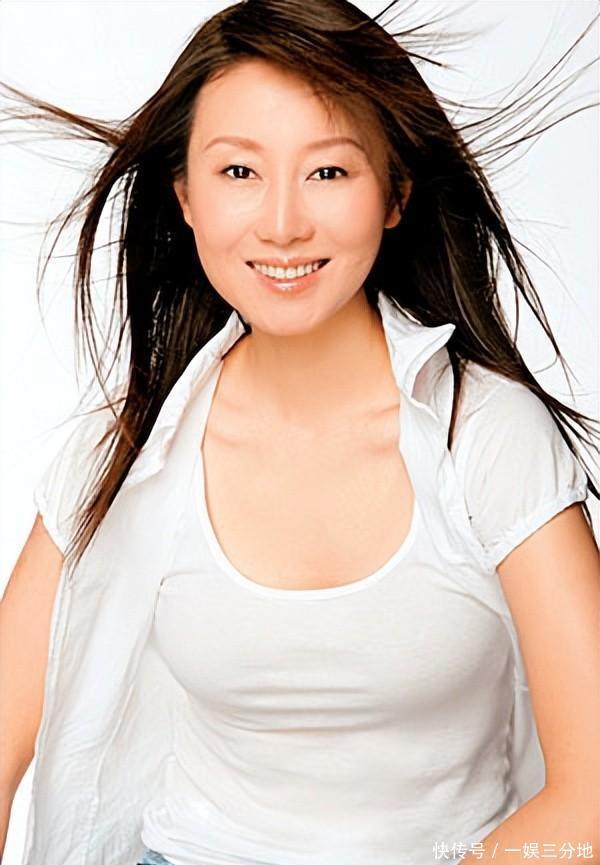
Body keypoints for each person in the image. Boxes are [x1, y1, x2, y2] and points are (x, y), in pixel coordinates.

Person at [0, 1, 599, 864]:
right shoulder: (132, 449)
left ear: (394, 193)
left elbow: (591, 795)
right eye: (239, 171)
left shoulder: (487, 436)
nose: (282, 224)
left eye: (328, 171)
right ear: (186, 197)